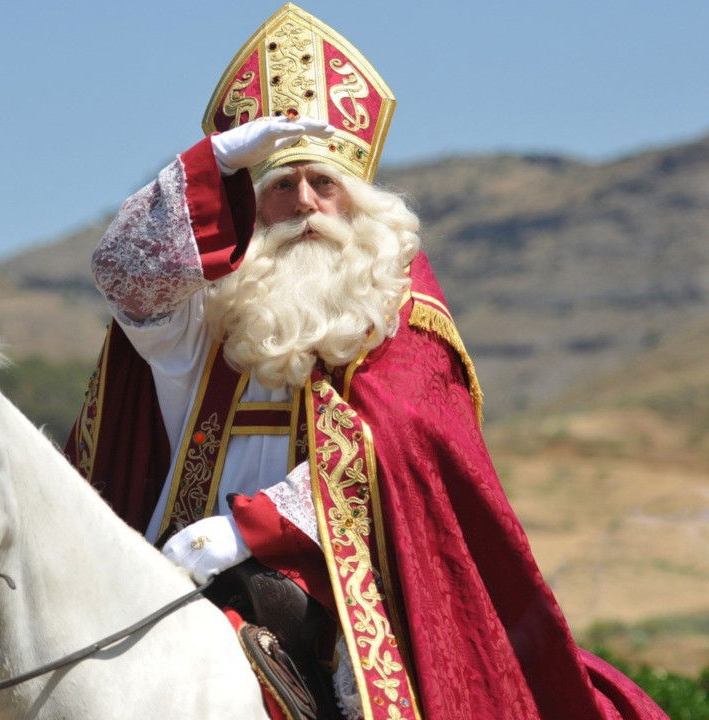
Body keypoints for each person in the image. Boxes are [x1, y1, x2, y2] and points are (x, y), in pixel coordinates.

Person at [64, 5, 666, 720]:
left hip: (341, 587)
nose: (305, 204)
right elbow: (121, 272)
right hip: (181, 565)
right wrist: (215, 162)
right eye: (280, 186)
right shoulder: (210, 315)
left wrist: (250, 530)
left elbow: (398, 447)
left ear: (358, 200)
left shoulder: (400, 317)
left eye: (324, 183)